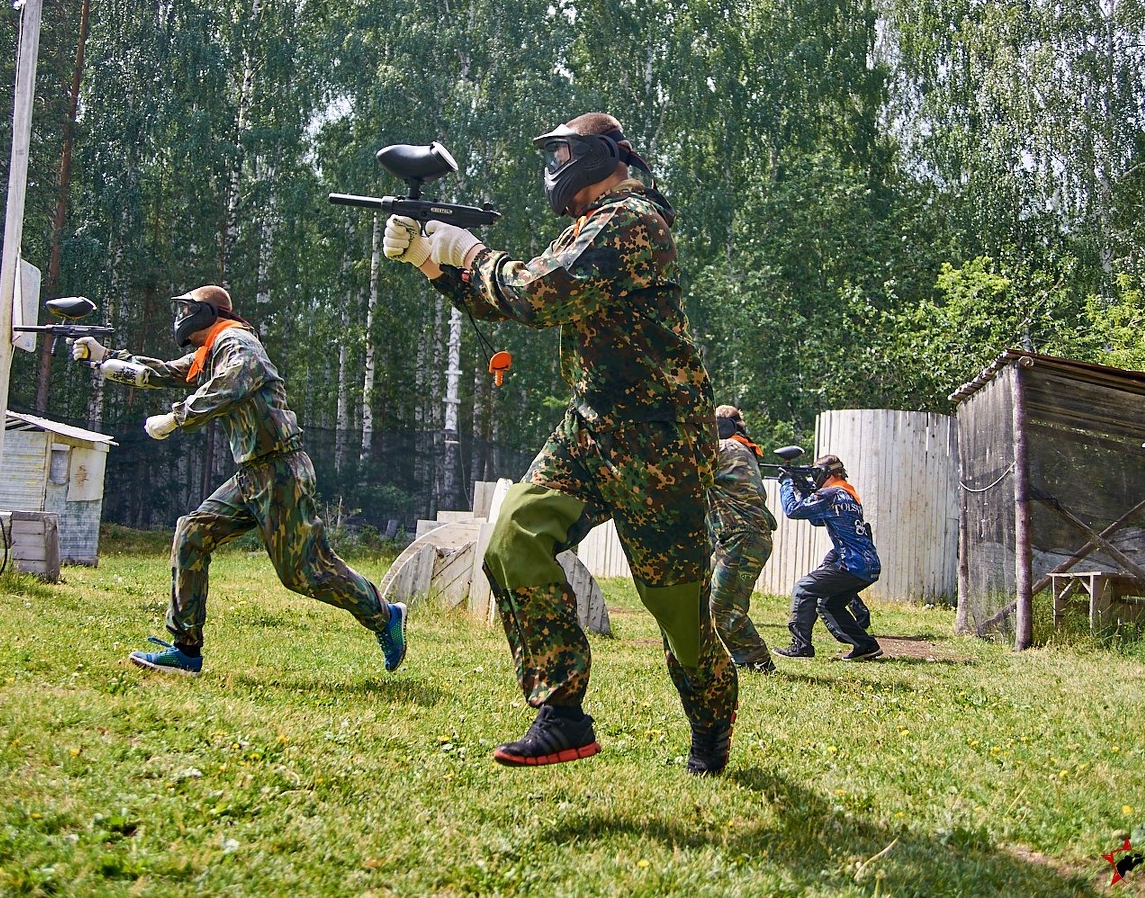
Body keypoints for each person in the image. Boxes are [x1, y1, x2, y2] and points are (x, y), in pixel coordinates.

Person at [381, 113, 738, 775]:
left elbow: (536, 294)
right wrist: (431, 264)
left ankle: (711, 726)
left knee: (680, 619)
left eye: (565, 150)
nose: (555, 163)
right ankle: (562, 712)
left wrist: (465, 252)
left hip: (661, 444)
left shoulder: (632, 221)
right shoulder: (589, 225)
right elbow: (514, 300)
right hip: (593, 426)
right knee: (512, 540)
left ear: (602, 154)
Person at [72, 285, 407, 676]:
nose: (181, 316)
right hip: (252, 474)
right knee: (192, 534)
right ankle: (185, 650)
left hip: (281, 471)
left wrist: (177, 418)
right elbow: (164, 372)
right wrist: (106, 359)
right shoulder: (212, 350)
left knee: (305, 573)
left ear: (208, 313)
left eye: (188, 308)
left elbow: (231, 385)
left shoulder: (236, 340)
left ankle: (384, 615)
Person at [774, 455, 883, 661]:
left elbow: (793, 510)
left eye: (817, 474)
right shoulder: (847, 494)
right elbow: (817, 519)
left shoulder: (831, 494)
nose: (815, 479)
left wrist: (787, 483)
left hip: (852, 564)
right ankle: (866, 646)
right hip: (868, 564)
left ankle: (801, 646)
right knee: (829, 604)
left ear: (828, 474)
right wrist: (802, 488)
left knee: (804, 588)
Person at [707, 405, 778, 674]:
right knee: (705, 600)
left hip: (741, 537)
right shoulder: (741, 449)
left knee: (724, 610)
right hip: (734, 537)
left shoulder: (727, 449)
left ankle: (756, 662)